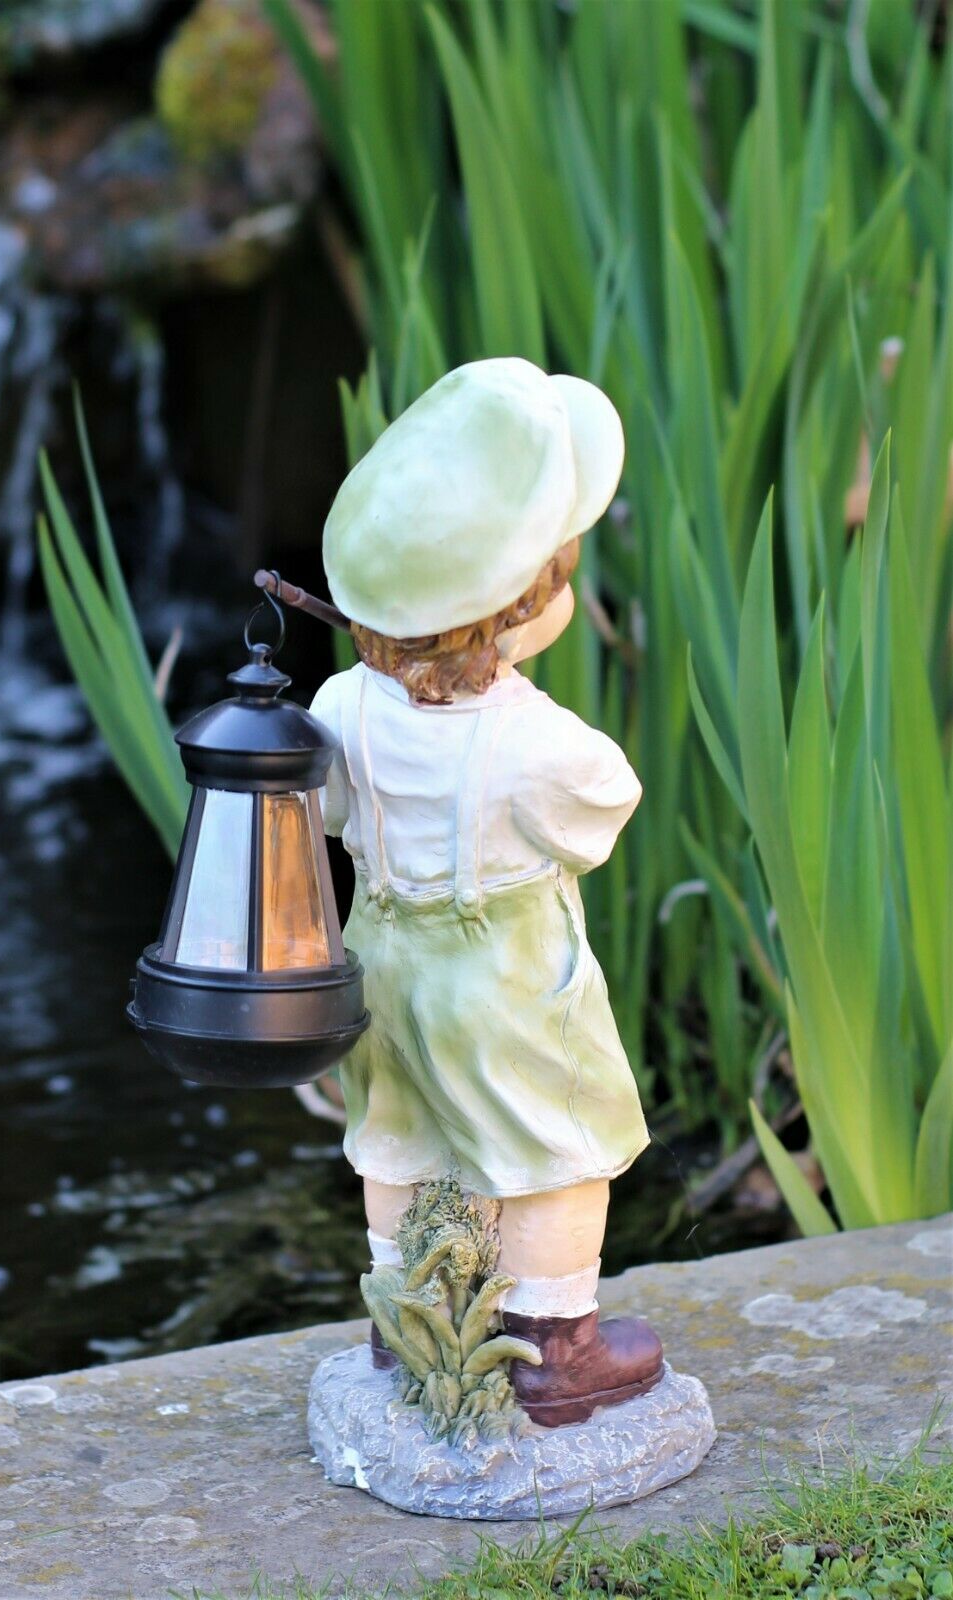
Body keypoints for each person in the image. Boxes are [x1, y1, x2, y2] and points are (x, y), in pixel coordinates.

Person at [310, 358, 663, 1427]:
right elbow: (604, 808)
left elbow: (324, 810)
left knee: (398, 1136)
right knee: (553, 1147)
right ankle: (558, 1345)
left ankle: (402, 1317)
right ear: (522, 607)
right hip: (503, 975)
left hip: (383, 960)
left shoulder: (340, 704)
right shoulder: (539, 741)